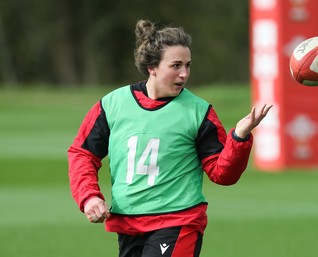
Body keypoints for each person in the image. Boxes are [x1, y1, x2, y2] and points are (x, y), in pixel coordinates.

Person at [68, 19, 272, 257]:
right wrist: (89, 196)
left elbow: (222, 174)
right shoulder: (112, 104)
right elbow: (83, 153)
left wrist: (239, 136)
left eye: (188, 65)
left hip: (179, 222)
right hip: (128, 224)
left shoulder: (199, 111)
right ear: (152, 67)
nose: (184, 73)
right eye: (176, 65)